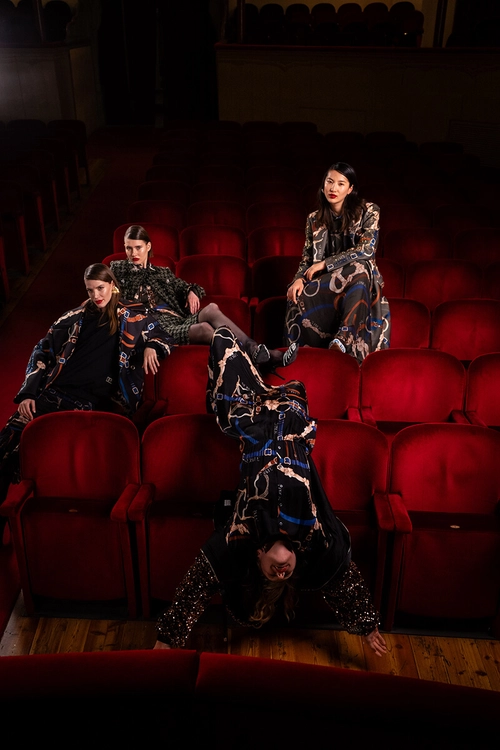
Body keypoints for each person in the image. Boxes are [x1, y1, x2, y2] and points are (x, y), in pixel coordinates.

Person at [153, 325, 387, 656]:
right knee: (294, 387)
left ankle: (257, 357)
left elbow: (198, 584)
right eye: (285, 576)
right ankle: (264, 362)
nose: (280, 574)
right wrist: (367, 626)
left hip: (252, 423)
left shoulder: (241, 534)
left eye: (270, 576)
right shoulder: (314, 539)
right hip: (291, 419)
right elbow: (343, 581)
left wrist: (167, 638)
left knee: (221, 338)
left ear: (258, 558)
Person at [0, 263, 175, 499]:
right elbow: (42, 349)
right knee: (4, 445)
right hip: (53, 394)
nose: (96, 295)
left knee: (31, 453)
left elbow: (164, 334)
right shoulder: (75, 316)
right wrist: (29, 393)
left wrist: (152, 346)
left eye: (100, 288)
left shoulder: (133, 315)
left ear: (112, 285)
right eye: (90, 290)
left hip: (87, 404)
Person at [111, 224, 297, 370]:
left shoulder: (162, 272)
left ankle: (254, 349)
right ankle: (258, 359)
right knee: (205, 329)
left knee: (212, 308)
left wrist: (191, 292)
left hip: (177, 319)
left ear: (148, 246)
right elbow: (106, 292)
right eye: (128, 248)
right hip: (157, 327)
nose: (133, 254)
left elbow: (190, 286)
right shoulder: (118, 270)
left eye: (138, 248)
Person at [284, 162, 391, 364]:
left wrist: (325, 263)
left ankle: (342, 339)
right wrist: (298, 279)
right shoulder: (314, 219)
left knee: (360, 269)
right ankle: (301, 359)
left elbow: (366, 250)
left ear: (350, 189)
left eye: (341, 184)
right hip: (327, 285)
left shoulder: (369, 211)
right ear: (323, 185)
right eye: (329, 182)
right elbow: (307, 259)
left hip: (360, 283)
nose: (333, 188)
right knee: (296, 294)